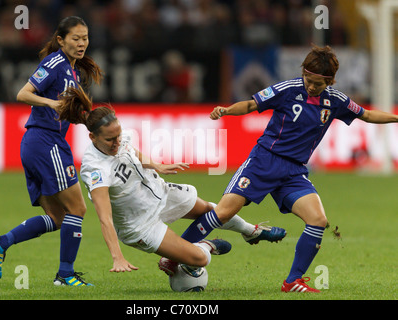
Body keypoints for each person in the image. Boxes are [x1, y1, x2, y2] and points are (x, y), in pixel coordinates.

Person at [178, 45, 398, 293]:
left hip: (294, 171)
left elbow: (367, 115)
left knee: (318, 220)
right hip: (264, 161)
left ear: (330, 81)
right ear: (303, 72)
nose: (312, 86)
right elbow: (251, 105)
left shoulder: (335, 101)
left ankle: (293, 281)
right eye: (309, 79)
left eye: (319, 83)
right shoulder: (287, 90)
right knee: (223, 213)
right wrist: (227, 111)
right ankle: (175, 253)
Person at [55, 87, 286, 274]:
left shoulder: (116, 137)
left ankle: (250, 231)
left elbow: (130, 150)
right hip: (140, 224)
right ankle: (202, 247)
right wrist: (118, 257)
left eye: (118, 136)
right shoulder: (94, 168)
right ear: (92, 137)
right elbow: (104, 218)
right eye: (110, 140)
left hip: (160, 193)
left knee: (209, 209)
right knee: (198, 260)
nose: (117, 142)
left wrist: (155, 164)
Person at [0, 16, 104, 286]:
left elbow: (66, 112)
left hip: (41, 144)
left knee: (59, 217)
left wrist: (88, 120)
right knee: (78, 208)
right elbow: (22, 94)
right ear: (61, 40)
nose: (82, 43)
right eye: (76, 38)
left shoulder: (73, 72)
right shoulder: (54, 63)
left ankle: (1, 243)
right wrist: (51, 103)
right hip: (44, 142)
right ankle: (65, 275)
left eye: (85, 38)